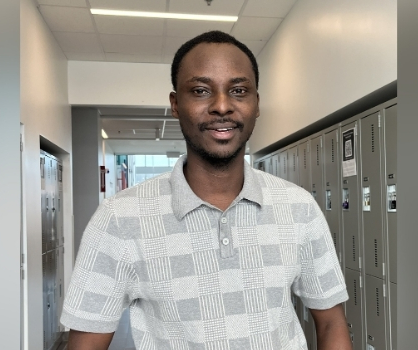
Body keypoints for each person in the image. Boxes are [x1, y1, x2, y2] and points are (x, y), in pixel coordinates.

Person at [60, 31, 351, 350]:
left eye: (238, 90)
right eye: (200, 90)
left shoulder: (299, 207)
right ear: (175, 104)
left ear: (256, 104)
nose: (222, 106)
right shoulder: (119, 219)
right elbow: (85, 342)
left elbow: (332, 322)